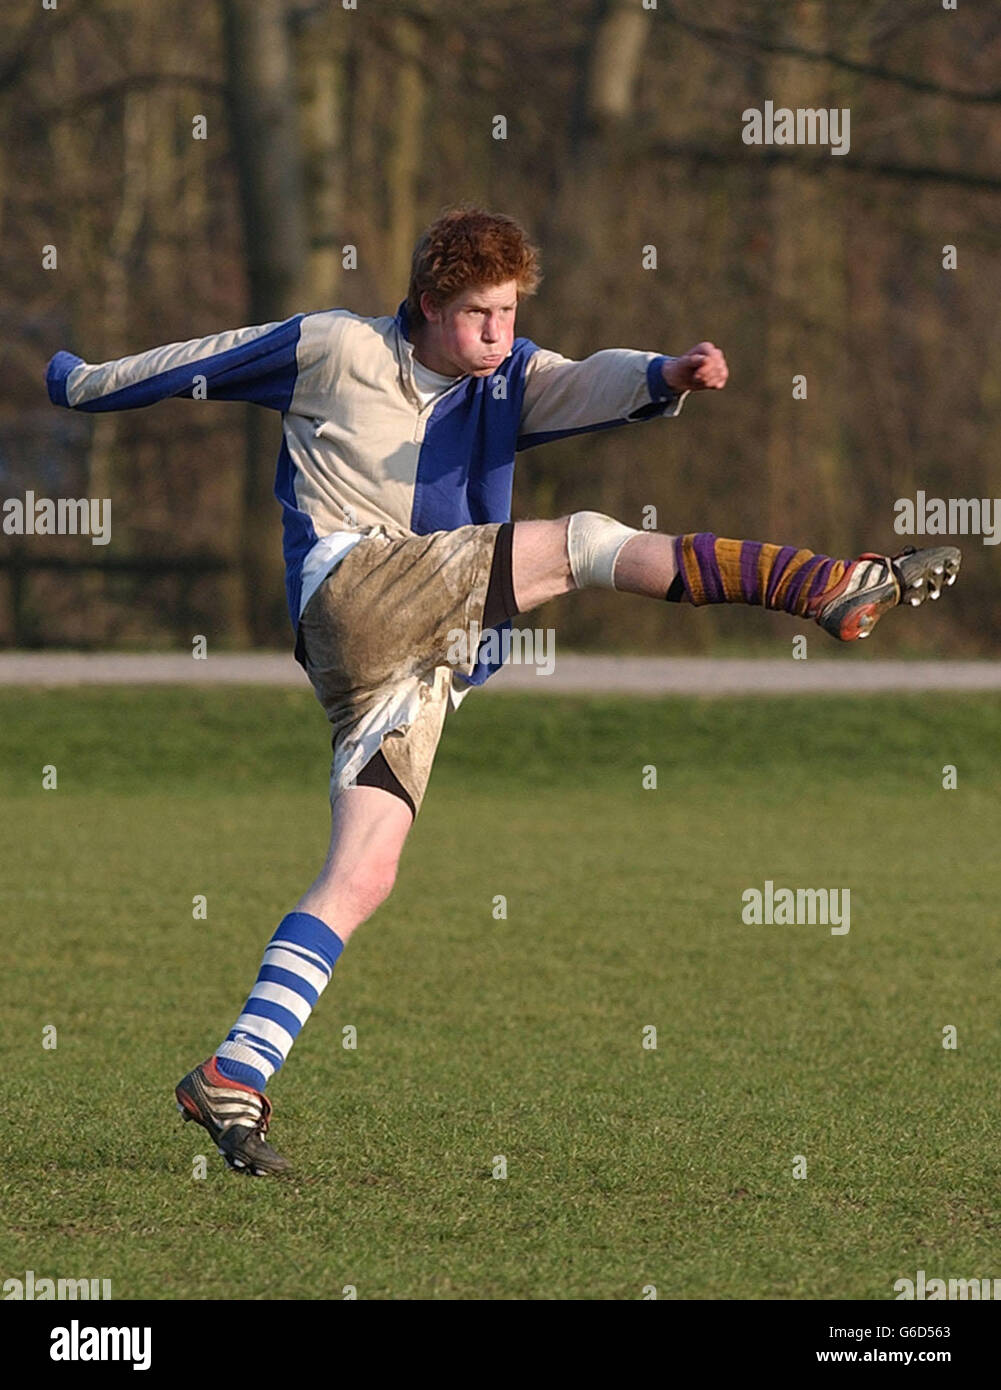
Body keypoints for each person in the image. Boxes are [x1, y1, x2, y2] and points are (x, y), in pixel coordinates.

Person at [46, 207, 960, 1176]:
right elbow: (199, 360)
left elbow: (582, 380)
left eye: (510, 311)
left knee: (362, 873)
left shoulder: (509, 376)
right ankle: (819, 584)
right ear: (429, 306)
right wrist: (76, 382)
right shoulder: (336, 348)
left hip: (417, 657)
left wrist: (664, 373)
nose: (499, 331)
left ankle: (235, 1070)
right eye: (479, 313)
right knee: (585, 543)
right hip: (352, 592)